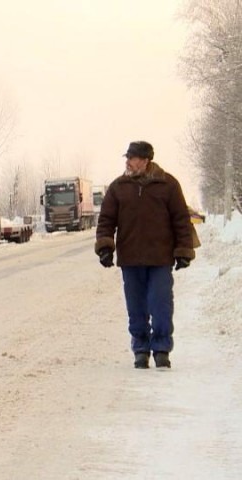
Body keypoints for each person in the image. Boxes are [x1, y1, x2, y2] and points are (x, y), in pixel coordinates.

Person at [95, 141, 195, 369]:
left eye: (132, 158)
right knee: (136, 307)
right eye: (127, 158)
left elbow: (181, 220)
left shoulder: (168, 184)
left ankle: (161, 349)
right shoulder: (118, 187)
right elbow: (106, 221)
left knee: (160, 304)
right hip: (130, 258)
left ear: (146, 160)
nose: (128, 163)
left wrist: (183, 251)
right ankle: (140, 349)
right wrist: (105, 247)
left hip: (160, 258)